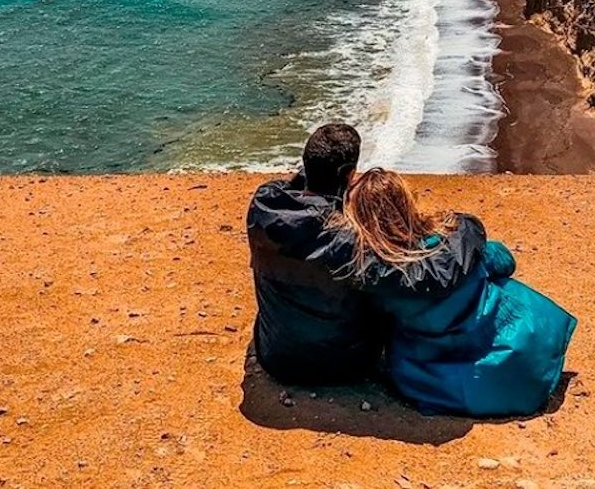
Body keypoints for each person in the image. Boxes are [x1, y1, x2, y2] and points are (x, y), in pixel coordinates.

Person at [328, 167, 577, 417]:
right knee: (496, 281)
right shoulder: (452, 242)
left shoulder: (376, 277)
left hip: (441, 381)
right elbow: (505, 261)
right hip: (526, 359)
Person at [246, 123, 384, 384]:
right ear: (349, 175)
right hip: (350, 365)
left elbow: (286, 188)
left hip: (277, 358)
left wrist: (318, 178)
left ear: (306, 165)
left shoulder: (263, 207)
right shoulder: (352, 239)